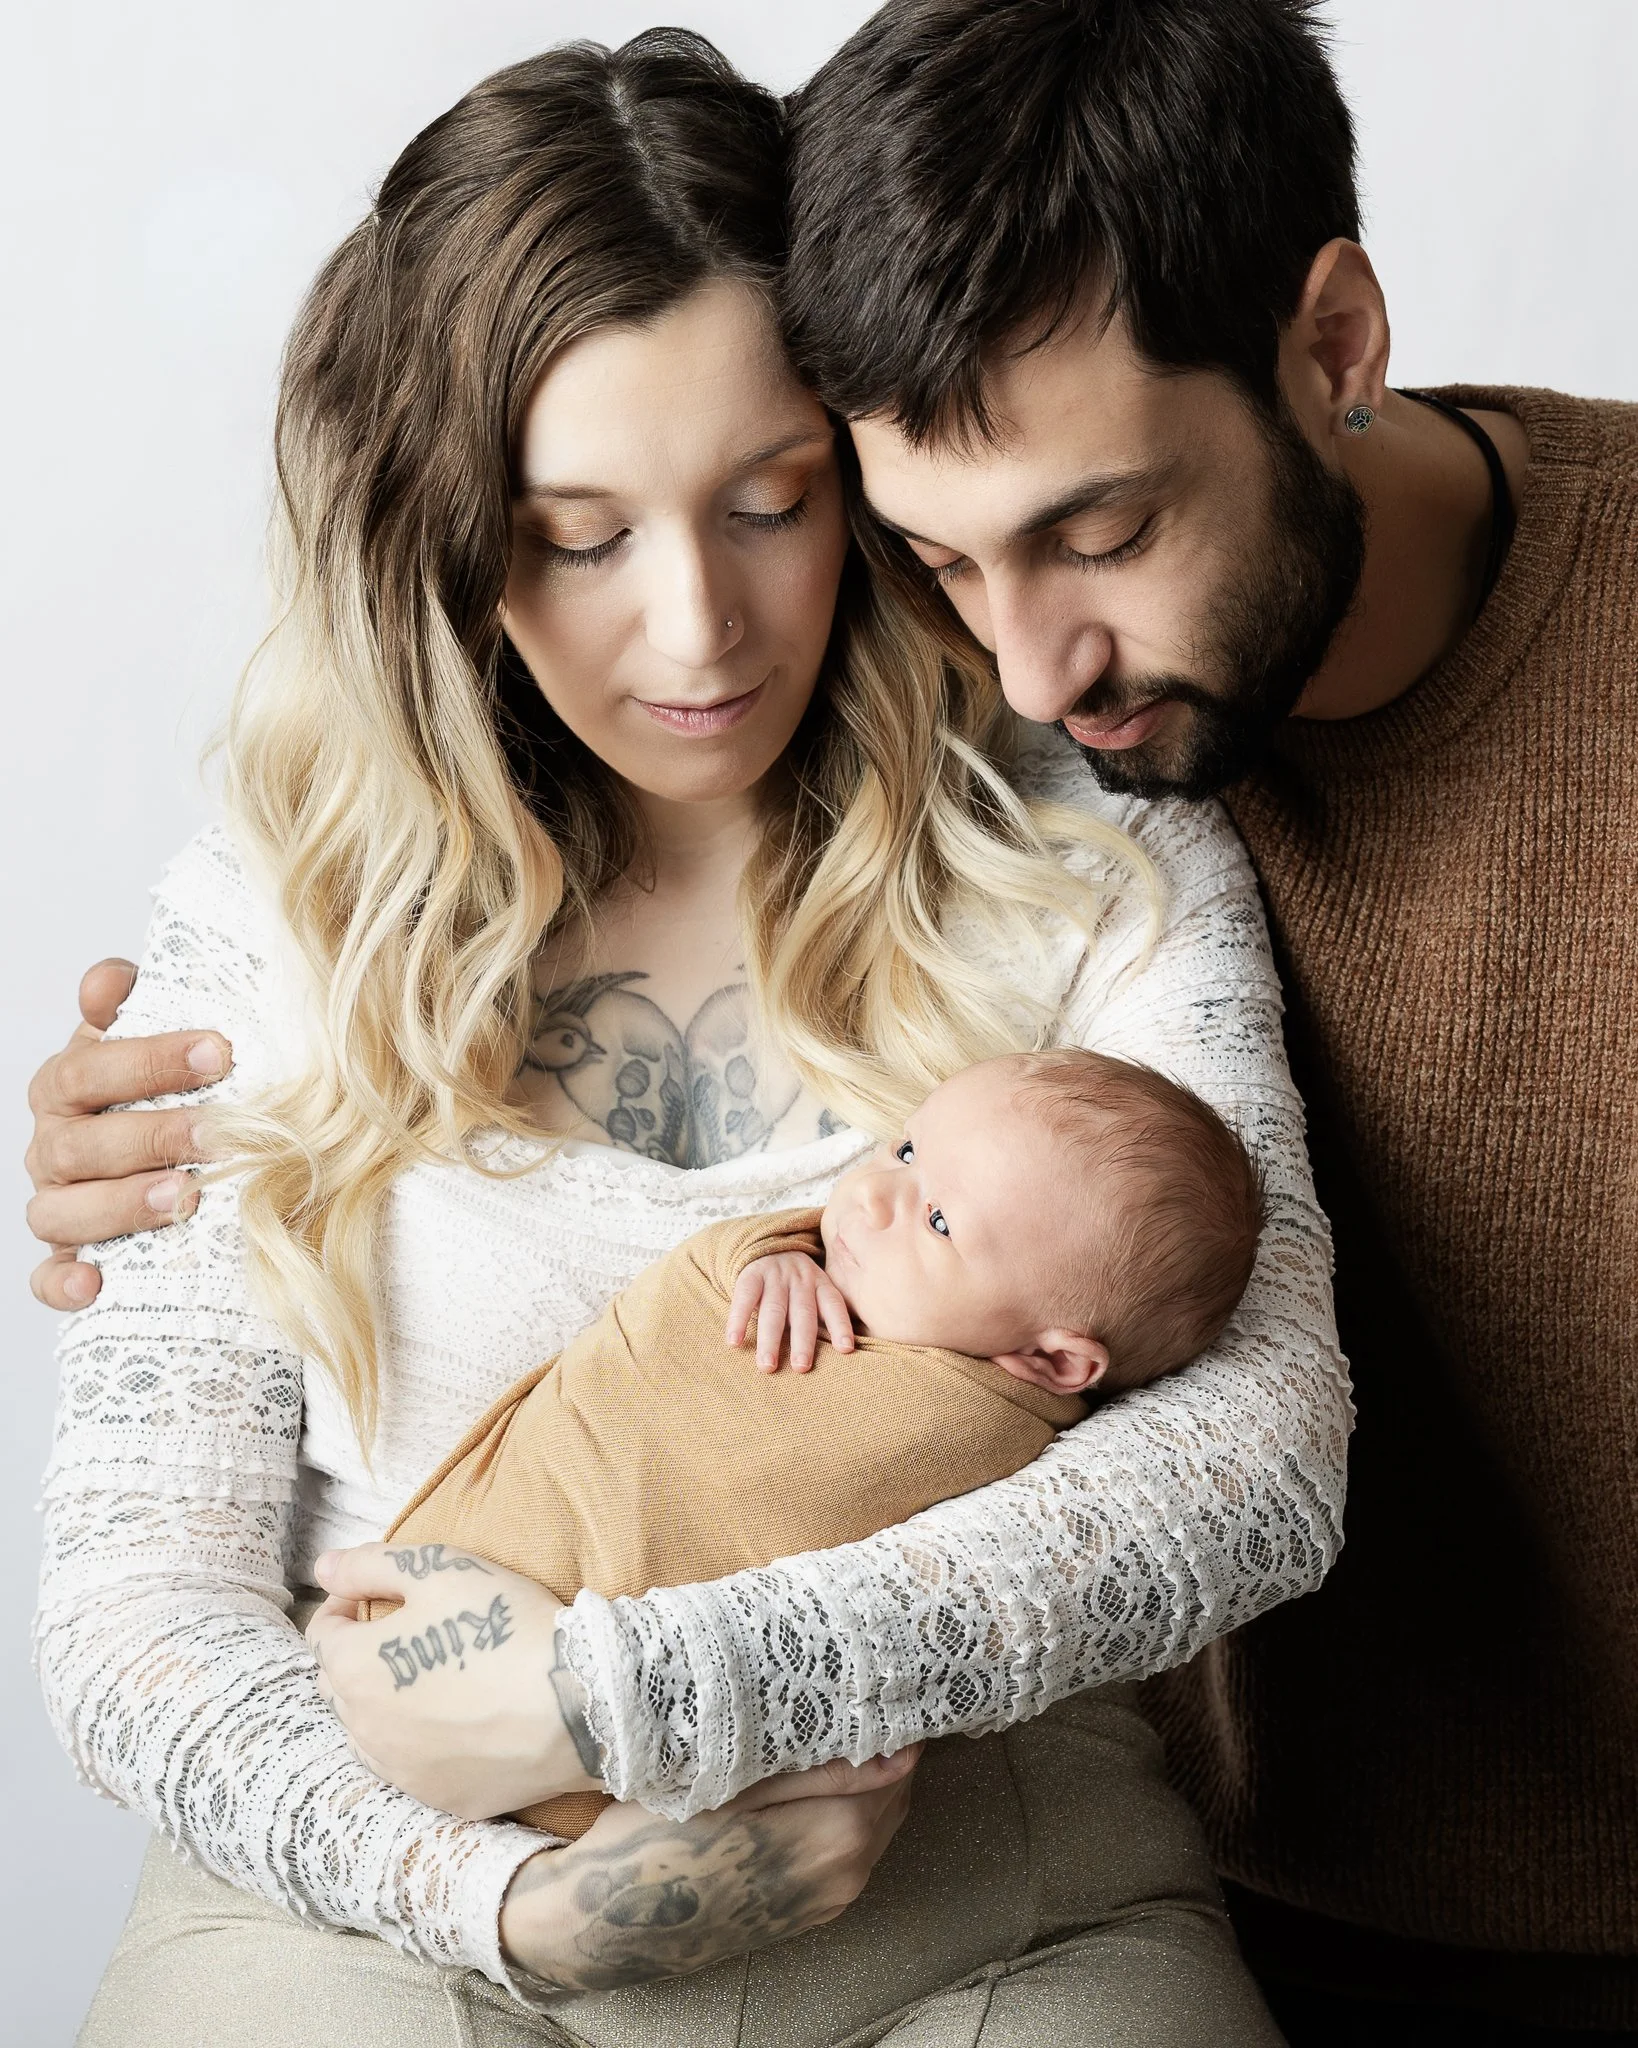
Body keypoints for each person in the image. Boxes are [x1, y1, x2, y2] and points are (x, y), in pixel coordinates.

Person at [25, 26, 1340, 2048]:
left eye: (770, 500)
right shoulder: (272, 911)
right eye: (580, 533)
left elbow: (1254, 1461)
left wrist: (644, 1689)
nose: (703, 629)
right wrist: (517, 1904)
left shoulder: (1096, 855)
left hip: (981, 1874)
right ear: (442, 533)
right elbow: (134, 1613)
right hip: (381, 1877)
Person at [767, 2, 1635, 2042]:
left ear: (1333, 344)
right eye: (940, 551)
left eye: (1100, 529)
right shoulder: (922, 683)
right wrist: (186, 1105)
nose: (1032, 657)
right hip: (1120, 1893)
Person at [331, 1047, 1264, 1844]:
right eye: (905, 1149)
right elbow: (676, 1319)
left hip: (644, 1743)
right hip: (449, 1587)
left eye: (940, 1222)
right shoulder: (813, 1269)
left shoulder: (1002, 1439)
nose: (874, 1196)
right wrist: (768, 1256)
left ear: (1053, 1361)